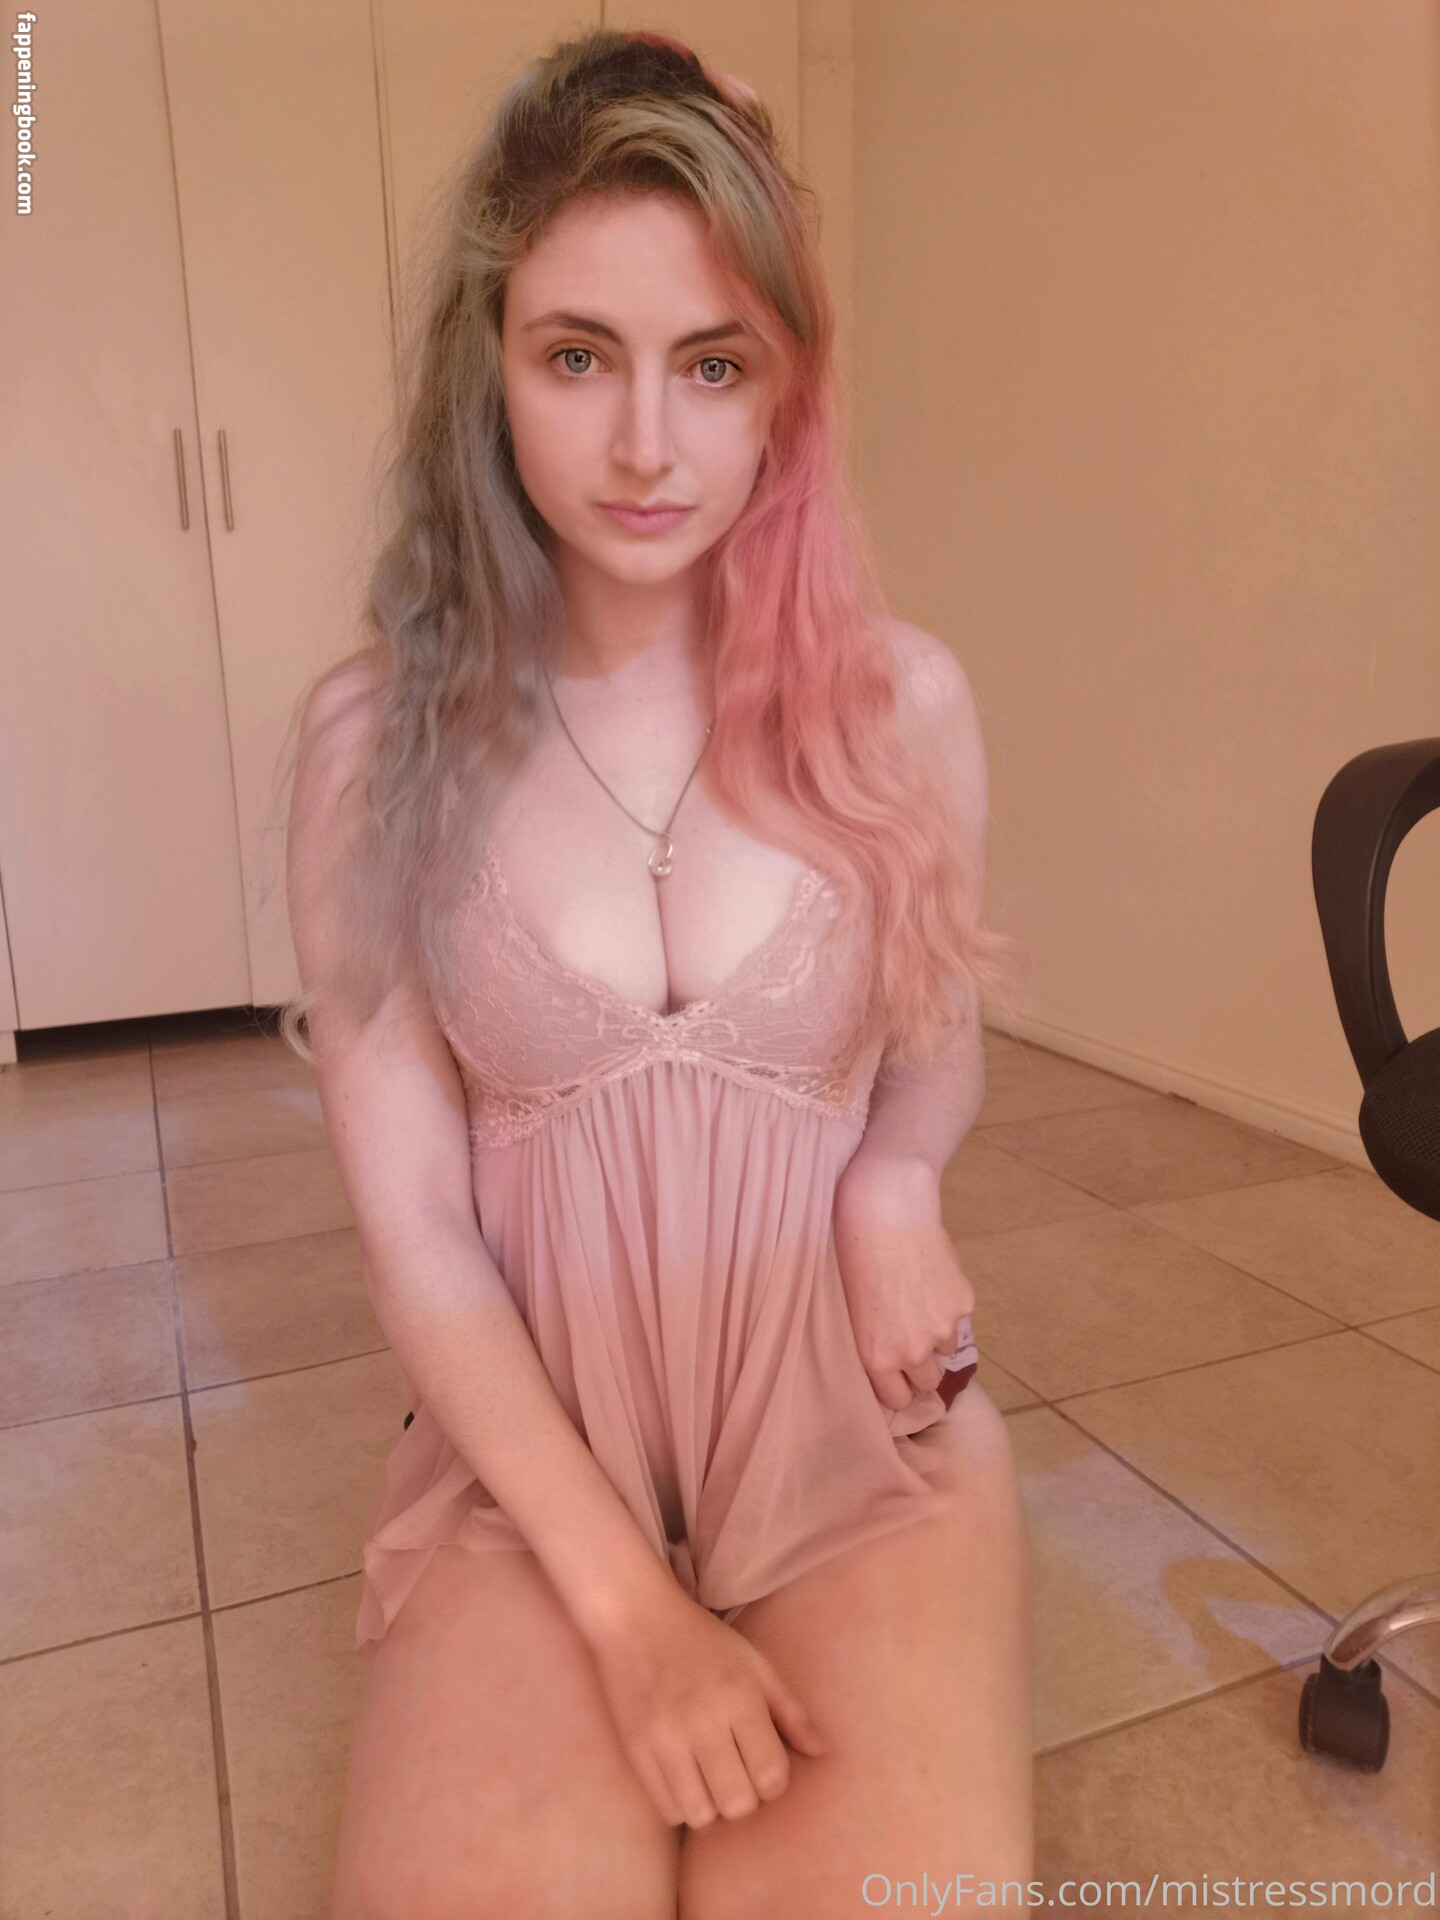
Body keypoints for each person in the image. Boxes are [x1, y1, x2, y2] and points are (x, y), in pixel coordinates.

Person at [283, 27, 1034, 1918]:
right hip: (534, 1466)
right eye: (576, 357)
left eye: (712, 364)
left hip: (858, 1428)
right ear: (490, 365)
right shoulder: (376, 747)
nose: (645, 444)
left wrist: (896, 1176)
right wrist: (633, 1613)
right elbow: (416, 1231)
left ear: (785, 387)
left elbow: (935, 1042)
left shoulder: (905, 704)